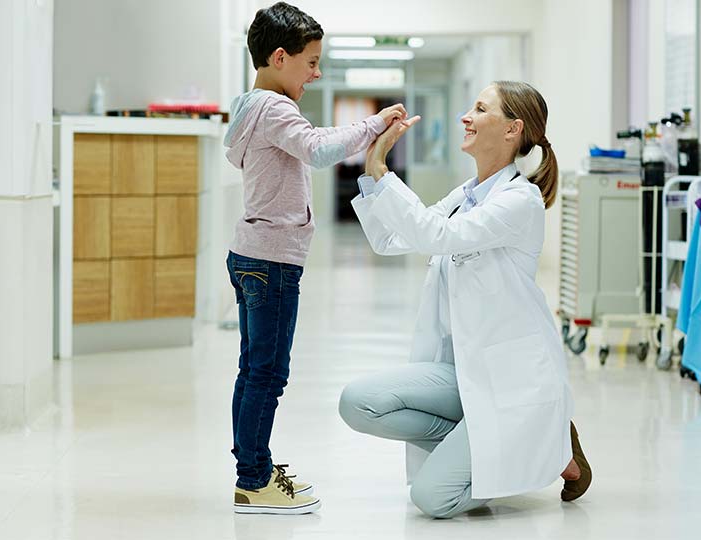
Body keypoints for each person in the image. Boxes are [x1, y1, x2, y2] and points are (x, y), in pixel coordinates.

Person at [339, 81, 592, 519]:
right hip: (466, 373)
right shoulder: (466, 196)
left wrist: (383, 170)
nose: (465, 116)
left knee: (433, 498)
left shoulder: (520, 201)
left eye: (479, 108)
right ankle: (488, 443)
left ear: (512, 130)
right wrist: (371, 168)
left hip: (513, 383)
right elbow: (392, 238)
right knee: (357, 402)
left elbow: (437, 236)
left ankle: (550, 451)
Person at [222, 1, 406, 516]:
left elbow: (313, 141)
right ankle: (253, 480)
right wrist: (374, 126)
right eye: (311, 61)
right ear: (279, 57)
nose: (317, 72)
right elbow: (320, 150)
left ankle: (251, 466)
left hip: (251, 254)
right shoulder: (275, 108)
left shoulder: (251, 107)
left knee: (252, 370)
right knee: (267, 374)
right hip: (272, 260)